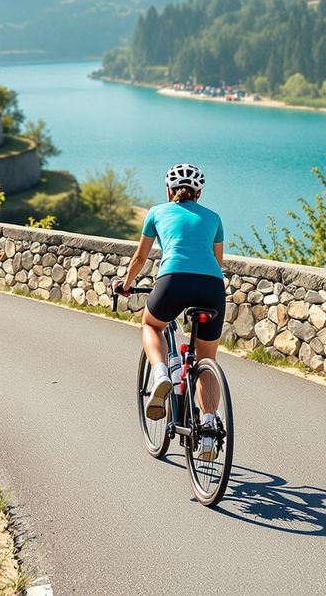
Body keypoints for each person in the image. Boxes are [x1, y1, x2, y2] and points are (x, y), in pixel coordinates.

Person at [112, 163, 226, 460]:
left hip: (172, 280)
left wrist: (125, 285)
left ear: (168, 190)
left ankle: (161, 373)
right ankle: (209, 430)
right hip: (212, 288)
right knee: (206, 360)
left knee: (151, 325)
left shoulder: (156, 212)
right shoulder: (214, 218)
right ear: (199, 193)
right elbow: (218, 262)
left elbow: (140, 257)